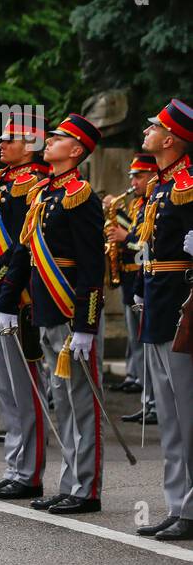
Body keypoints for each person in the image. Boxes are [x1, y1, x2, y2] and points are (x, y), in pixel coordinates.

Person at [1, 114, 106, 515]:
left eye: (60, 137)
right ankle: (70, 484)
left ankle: (86, 489)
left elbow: (92, 265)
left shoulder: (81, 195)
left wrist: (87, 323)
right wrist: (8, 302)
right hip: (45, 307)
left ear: (76, 150)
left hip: (69, 310)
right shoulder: (45, 193)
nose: (51, 141)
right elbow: (22, 254)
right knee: (60, 400)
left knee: (80, 402)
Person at [0, 113, 49, 499]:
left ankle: (29, 471)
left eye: (11, 139)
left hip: (16, 295)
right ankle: (16, 465)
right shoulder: (1, 182)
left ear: (32, 145)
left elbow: (21, 247)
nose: (1, 144)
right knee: (5, 389)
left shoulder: (33, 184)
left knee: (24, 388)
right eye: (1, 138)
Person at [132, 99, 193, 539]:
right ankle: (178, 505)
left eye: (155, 126)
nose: (148, 130)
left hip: (181, 305)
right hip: (157, 301)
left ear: (170, 138)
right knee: (169, 418)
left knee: (188, 415)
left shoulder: (189, 184)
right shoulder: (159, 185)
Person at [106, 153, 158, 423]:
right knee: (140, 346)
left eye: (139, 176)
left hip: (149, 281)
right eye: (132, 177)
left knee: (150, 348)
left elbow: (149, 246)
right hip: (134, 283)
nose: (134, 182)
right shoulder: (140, 205)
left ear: (152, 175)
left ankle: (155, 404)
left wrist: (126, 238)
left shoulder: (155, 203)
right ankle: (149, 401)